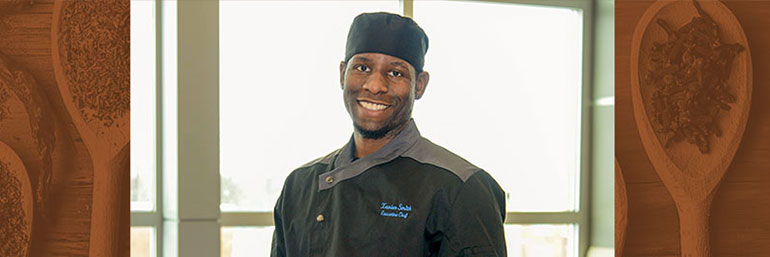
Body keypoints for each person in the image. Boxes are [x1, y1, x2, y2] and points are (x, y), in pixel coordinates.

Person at [271, 12, 507, 257]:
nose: (375, 86)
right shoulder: (299, 185)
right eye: (363, 68)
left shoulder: (461, 187)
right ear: (342, 74)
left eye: (396, 73)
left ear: (419, 85)